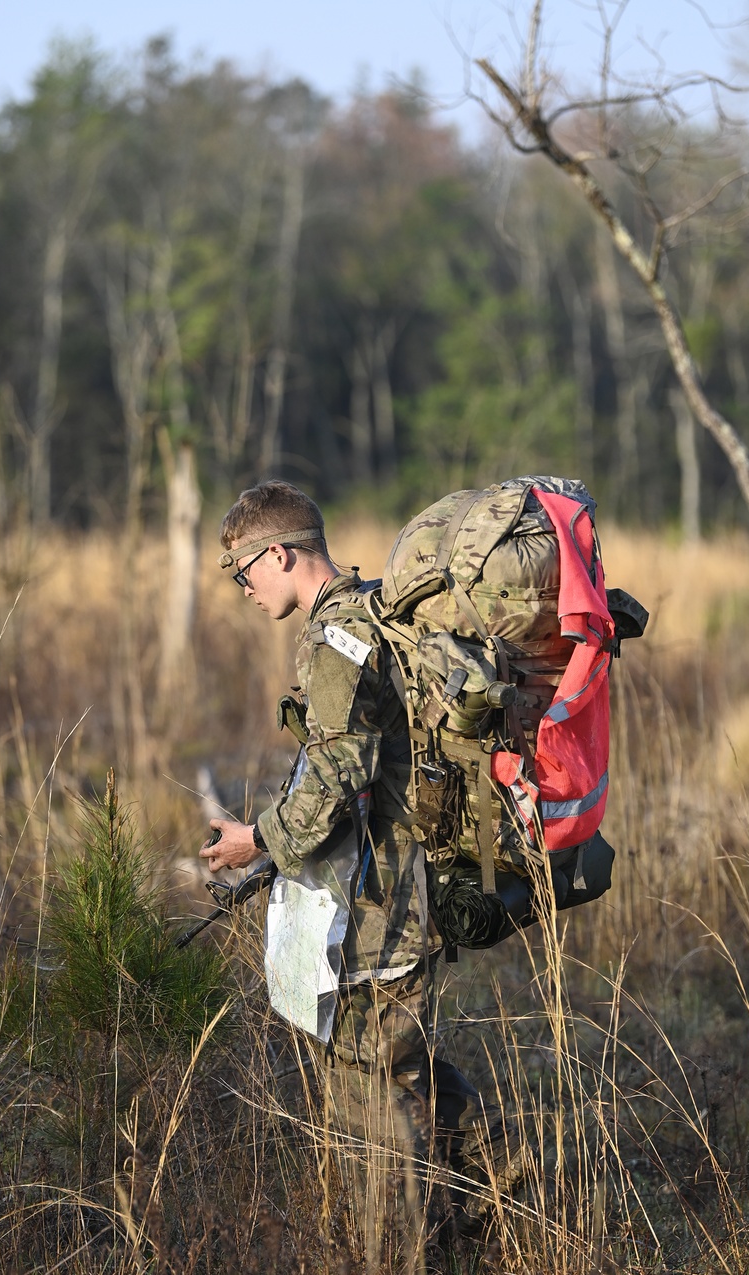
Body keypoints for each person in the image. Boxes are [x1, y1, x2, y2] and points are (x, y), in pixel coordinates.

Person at [199, 480, 524, 1259]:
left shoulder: (337, 637)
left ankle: (404, 1251)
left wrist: (262, 841)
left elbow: (340, 773)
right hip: (403, 891)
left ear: (279, 553)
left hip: (384, 910)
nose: (244, 590)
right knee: (408, 1074)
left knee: (371, 1103)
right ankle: (505, 1209)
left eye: (245, 571)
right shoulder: (373, 610)